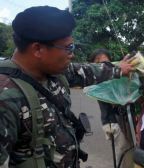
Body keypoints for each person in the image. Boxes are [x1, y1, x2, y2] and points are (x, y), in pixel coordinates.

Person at [0, 6, 133, 168]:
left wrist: (120, 68)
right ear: (38, 49)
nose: (73, 54)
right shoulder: (6, 96)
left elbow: (88, 71)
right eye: (68, 47)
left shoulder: (53, 71)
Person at [88, 48, 134, 168]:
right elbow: (113, 101)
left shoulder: (115, 75)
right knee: (124, 150)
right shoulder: (97, 83)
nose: (103, 63)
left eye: (106, 61)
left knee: (131, 146)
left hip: (125, 118)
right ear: (93, 64)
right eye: (98, 61)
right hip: (112, 122)